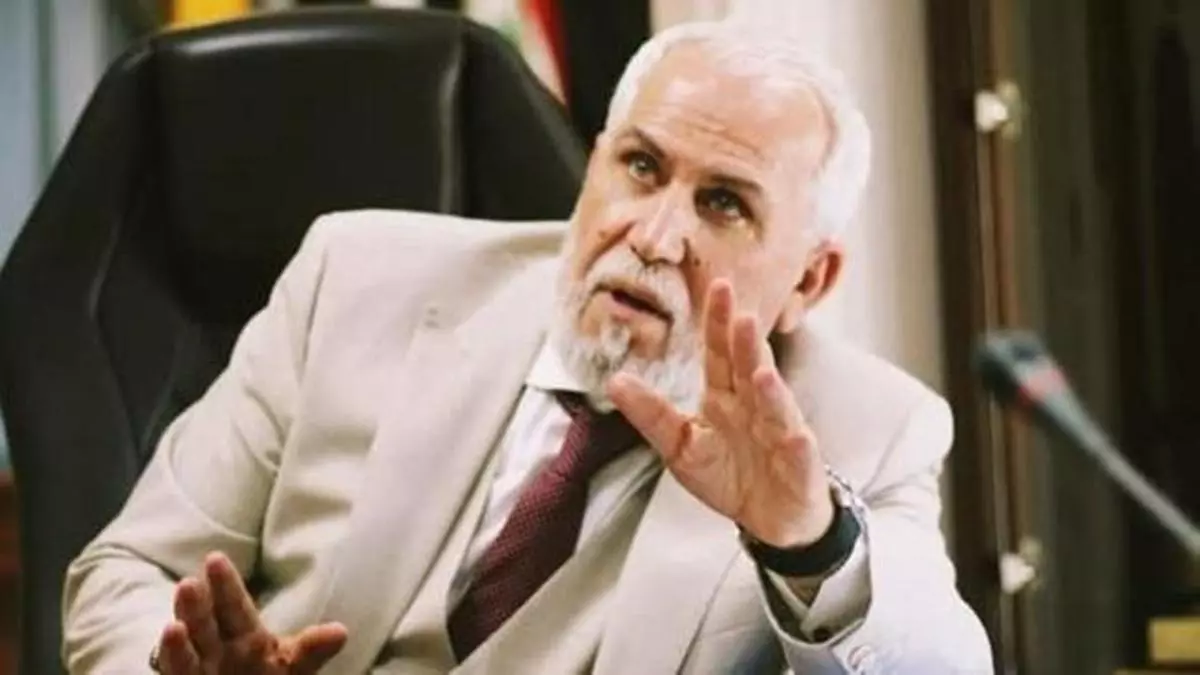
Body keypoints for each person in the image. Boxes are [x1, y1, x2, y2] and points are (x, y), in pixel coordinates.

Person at [62, 19, 993, 675]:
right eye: (640, 167)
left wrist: (808, 542)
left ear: (809, 281)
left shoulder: (863, 431)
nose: (654, 236)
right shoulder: (356, 281)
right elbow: (126, 573)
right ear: (594, 164)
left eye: (723, 203)